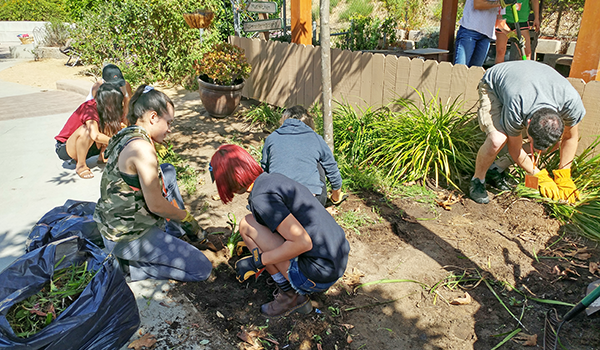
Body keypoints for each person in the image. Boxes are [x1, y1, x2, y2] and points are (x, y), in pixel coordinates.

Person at [210, 144, 350, 318]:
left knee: (246, 227)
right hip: (336, 260)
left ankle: (290, 296)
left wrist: (257, 261)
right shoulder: (272, 179)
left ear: (228, 179)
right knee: (249, 222)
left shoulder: (261, 199)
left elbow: (302, 242)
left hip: (318, 276)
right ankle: (288, 284)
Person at [93, 85, 212, 282]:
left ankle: (173, 235)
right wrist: (187, 220)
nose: (170, 129)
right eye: (168, 122)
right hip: (127, 237)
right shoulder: (142, 149)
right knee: (201, 269)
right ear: (153, 117)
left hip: (113, 225)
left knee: (168, 171)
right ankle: (129, 269)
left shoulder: (127, 134)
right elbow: (156, 205)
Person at [469, 60, 586, 204]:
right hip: (495, 83)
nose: (535, 149)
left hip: (533, 83)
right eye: (531, 141)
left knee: (554, 145)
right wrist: (538, 176)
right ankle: (478, 180)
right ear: (528, 123)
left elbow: (570, 137)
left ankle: (495, 169)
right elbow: (515, 149)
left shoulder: (571, 104)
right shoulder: (517, 105)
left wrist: (564, 175)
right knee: (497, 139)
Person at [261, 105, 346, 206]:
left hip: (277, 198)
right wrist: (335, 197)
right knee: (318, 162)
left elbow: (264, 170)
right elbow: (332, 169)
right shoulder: (316, 138)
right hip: (311, 199)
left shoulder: (272, 138)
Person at [55, 83, 124, 179]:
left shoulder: (113, 109)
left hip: (90, 147)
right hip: (67, 147)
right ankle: (81, 165)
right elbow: (95, 135)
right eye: (114, 102)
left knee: (115, 123)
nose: (117, 105)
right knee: (87, 130)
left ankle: (103, 155)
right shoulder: (89, 108)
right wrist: (117, 141)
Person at [454, 0, 511, 67]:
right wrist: (500, 3)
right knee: (460, 70)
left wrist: (512, 34)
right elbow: (477, 4)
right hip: (469, 31)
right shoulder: (500, 2)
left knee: (475, 72)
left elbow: (499, 22)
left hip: (486, 36)